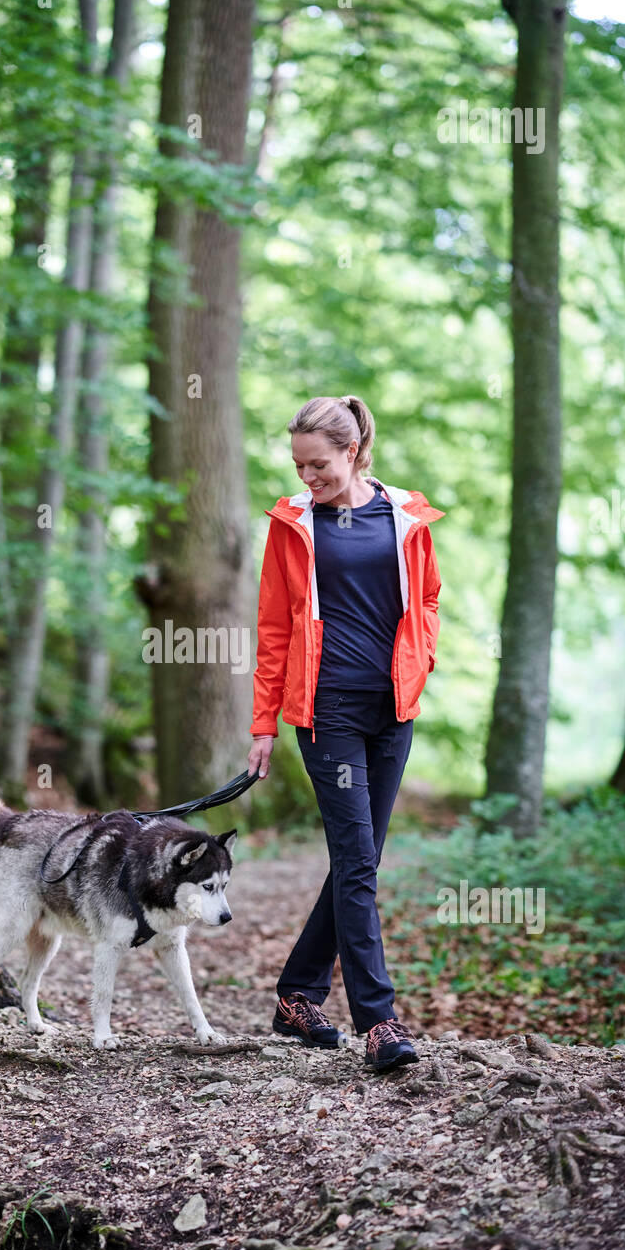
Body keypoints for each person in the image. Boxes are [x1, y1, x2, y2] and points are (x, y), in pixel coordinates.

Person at [246, 395, 445, 1073]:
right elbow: (274, 627)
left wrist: (423, 659)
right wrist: (263, 726)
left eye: (319, 464)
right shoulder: (292, 524)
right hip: (325, 711)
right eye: (299, 465)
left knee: (356, 862)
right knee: (358, 863)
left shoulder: (403, 516)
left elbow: (427, 599)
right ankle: (379, 1021)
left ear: (354, 451)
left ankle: (296, 996)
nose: (308, 478)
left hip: (393, 711)